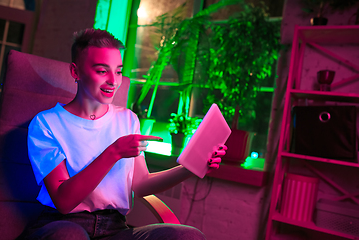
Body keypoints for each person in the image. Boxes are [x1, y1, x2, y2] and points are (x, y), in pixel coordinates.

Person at [24, 28, 226, 240]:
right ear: (76, 72)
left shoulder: (127, 120)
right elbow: (64, 201)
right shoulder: (46, 123)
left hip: (114, 229)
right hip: (63, 225)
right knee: (69, 236)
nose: (113, 80)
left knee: (187, 236)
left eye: (118, 71)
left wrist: (191, 168)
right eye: (102, 71)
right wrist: (114, 152)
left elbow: (141, 185)